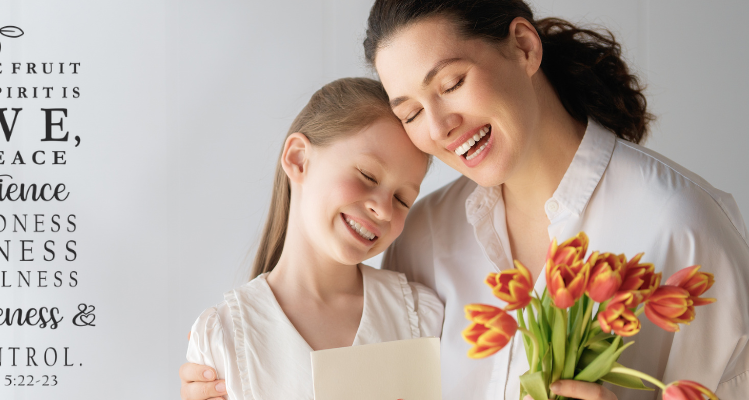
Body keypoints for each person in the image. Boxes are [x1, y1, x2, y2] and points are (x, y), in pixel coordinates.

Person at [180, 1, 749, 400]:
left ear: (523, 47)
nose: (440, 125)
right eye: (409, 112)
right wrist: (240, 376)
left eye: (451, 83)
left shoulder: (680, 225)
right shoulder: (425, 234)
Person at [184, 77, 444, 400]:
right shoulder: (223, 338)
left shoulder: (422, 317)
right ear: (298, 159)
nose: (384, 210)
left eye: (403, 199)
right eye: (367, 176)